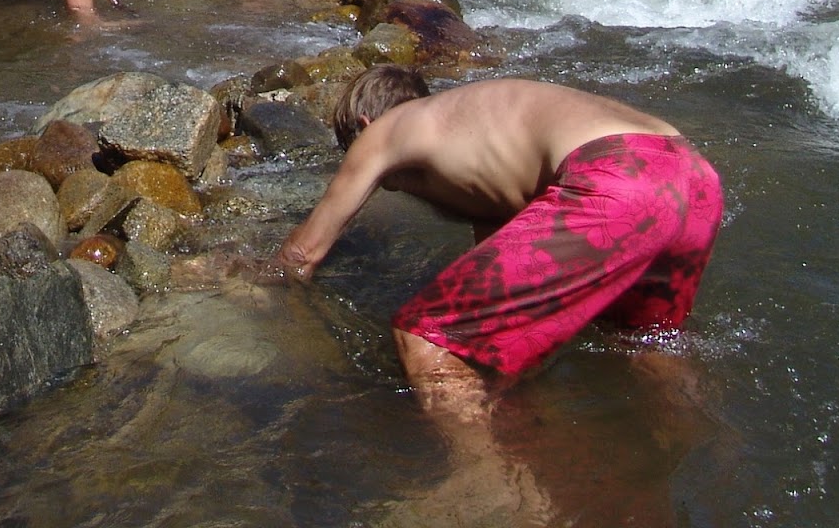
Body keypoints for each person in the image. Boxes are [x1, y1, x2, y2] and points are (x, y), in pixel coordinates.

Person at [276, 67, 721, 498]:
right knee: (645, 341)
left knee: (428, 336)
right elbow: (502, 274)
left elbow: (301, 254)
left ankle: (497, 496)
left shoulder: (384, 131)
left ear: (363, 123)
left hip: (617, 175)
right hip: (692, 176)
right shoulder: (472, 132)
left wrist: (255, 282)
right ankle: (711, 461)